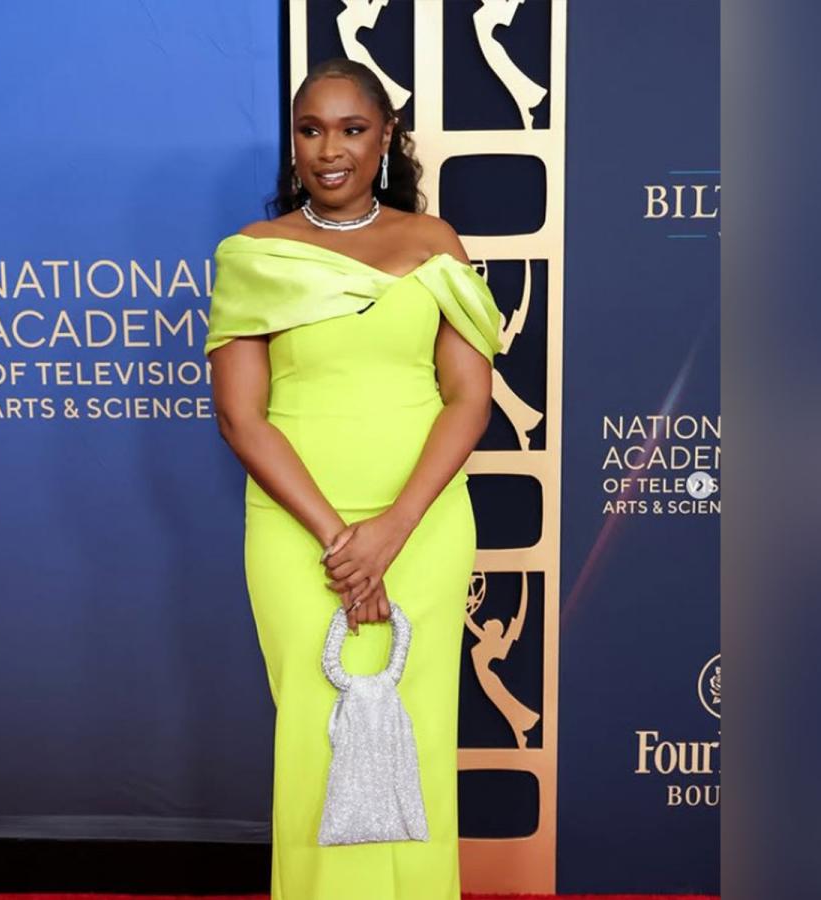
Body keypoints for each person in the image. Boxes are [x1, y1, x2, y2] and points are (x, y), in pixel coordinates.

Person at [203, 56, 502, 900]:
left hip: (423, 527)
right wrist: (344, 545)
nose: (328, 150)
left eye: (351, 129)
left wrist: (391, 532)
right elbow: (242, 418)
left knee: (417, 730)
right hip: (302, 535)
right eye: (310, 130)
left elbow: (469, 399)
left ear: (386, 138)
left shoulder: (434, 243)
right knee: (318, 729)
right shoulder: (256, 254)